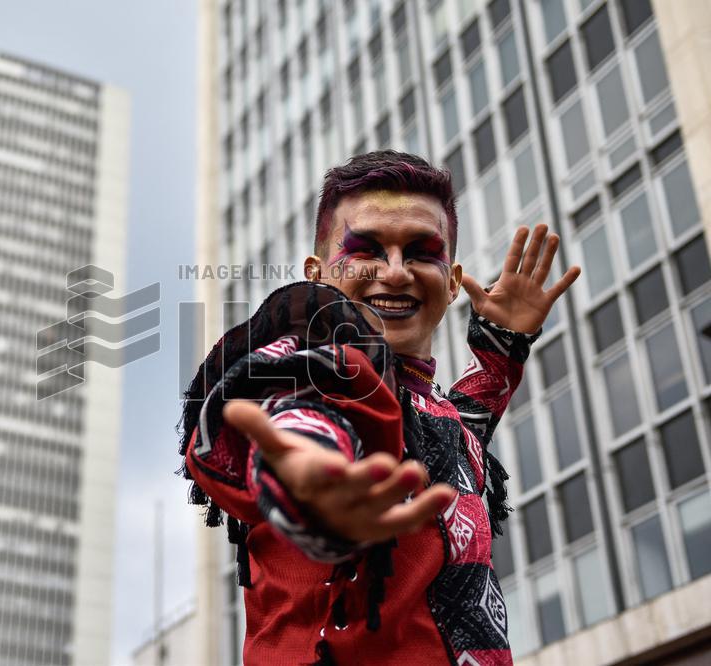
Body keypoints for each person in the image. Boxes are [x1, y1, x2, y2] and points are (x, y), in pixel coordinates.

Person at [176, 150, 580, 665]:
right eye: (365, 250)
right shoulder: (318, 368)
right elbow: (299, 412)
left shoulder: (431, 415)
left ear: (452, 282)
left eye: (421, 252)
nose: (395, 272)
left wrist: (501, 345)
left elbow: (455, 437)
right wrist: (310, 477)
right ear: (317, 275)